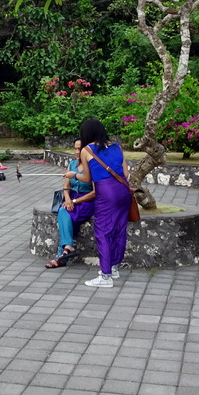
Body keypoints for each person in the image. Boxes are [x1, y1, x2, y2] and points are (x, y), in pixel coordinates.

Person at [65, 118, 132, 288]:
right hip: (123, 190)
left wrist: (73, 175)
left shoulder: (87, 150)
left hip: (106, 192)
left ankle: (105, 276)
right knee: (119, 229)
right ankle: (114, 267)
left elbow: (86, 178)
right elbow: (125, 172)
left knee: (103, 231)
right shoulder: (116, 146)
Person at [46, 140, 96, 269]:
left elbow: (95, 192)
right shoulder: (72, 164)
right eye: (75, 149)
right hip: (72, 198)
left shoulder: (93, 166)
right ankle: (67, 248)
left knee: (67, 217)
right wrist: (68, 199)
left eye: (80, 149)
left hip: (87, 200)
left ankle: (60, 256)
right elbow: (66, 186)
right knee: (64, 210)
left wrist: (74, 201)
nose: (77, 152)